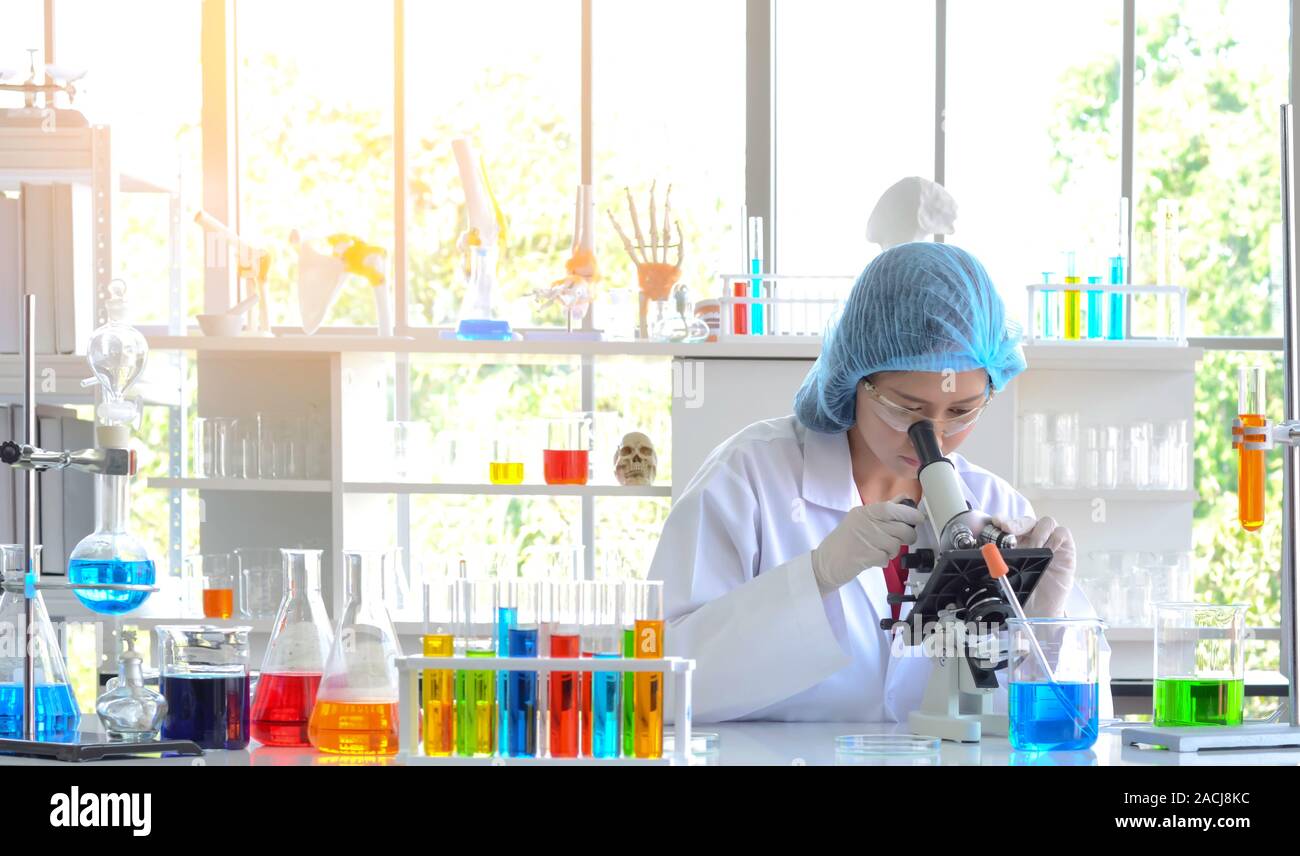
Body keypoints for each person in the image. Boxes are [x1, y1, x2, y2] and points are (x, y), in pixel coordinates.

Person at [648, 241, 1110, 723]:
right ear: (855, 378)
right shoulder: (751, 478)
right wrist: (817, 576)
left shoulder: (993, 503)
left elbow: (1075, 725)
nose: (932, 435)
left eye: (961, 411)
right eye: (906, 408)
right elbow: (660, 684)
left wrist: (1047, 624)